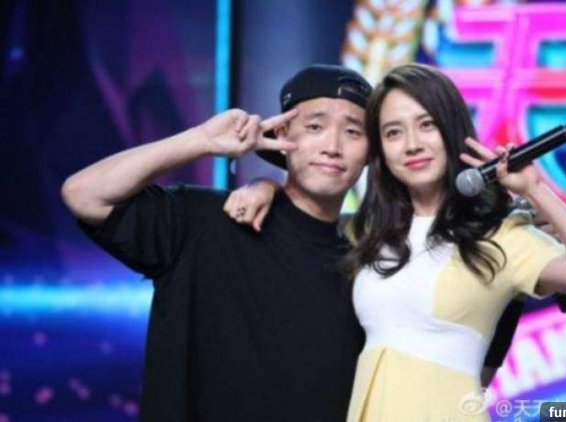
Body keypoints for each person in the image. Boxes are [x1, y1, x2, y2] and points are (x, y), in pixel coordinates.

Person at [226, 63, 566, 421]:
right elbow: (307, 221)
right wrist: (265, 186)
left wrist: (537, 191)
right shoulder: (367, 234)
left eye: (427, 125)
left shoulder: (500, 235)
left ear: (451, 131)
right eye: (393, 132)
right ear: (380, 151)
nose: (412, 144)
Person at [61, 64, 373, 421]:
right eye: (315, 127)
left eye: (353, 131)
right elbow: (84, 195)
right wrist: (201, 140)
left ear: (370, 152)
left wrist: (265, 185)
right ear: (282, 134)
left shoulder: (365, 273)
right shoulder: (205, 221)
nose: (332, 147)